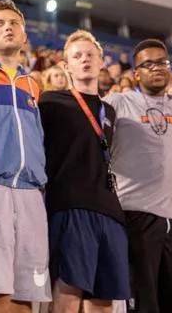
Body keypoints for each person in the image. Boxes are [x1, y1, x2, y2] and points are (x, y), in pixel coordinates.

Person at [0, 1, 50, 313]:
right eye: (0, 23)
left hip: (31, 192)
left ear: (25, 36)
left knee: (25, 293)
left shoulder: (33, 84)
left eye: (14, 23)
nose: (8, 27)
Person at [41, 30, 128, 313]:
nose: (85, 60)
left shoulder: (110, 111)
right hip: (69, 205)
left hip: (109, 210)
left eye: (91, 54)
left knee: (103, 299)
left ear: (101, 61)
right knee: (68, 292)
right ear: (66, 66)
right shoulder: (51, 102)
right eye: (77, 56)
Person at [105, 39, 172, 313]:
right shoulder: (118, 102)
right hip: (135, 215)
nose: (157, 68)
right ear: (136, 73)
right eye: (148, 64)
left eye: (163, 63)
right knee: (144, 305)